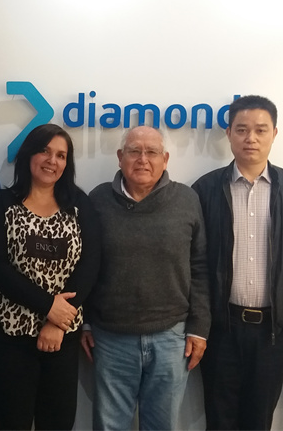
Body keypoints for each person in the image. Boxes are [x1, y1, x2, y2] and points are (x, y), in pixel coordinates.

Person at [191, 95, 283, 430]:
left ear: (274, 133)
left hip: (273, 330)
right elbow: (195, 263)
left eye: (261, 130)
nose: (251, 138)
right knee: (219, 419)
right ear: (229, 133)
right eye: (242, 129)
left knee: (259, 420)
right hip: (221, 328)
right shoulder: (204, 189)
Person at [81, 125, 210, 430]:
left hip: (172, 337)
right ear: (119, 157)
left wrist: (199, 328)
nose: (143, 159)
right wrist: (84, 321)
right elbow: (83, 265)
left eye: (152, 152)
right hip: (110, 338)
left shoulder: (187, 199)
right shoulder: (97, 200)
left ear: (165, 159)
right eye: (134, 151)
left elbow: (200, 266)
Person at [0, 123, 101, 430]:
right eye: (44, 151)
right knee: (11, 424)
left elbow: (90, 264)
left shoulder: (79, 204)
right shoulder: (1, 203)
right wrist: (49, 307)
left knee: (58, 423)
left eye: (61, 155)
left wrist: (57, 322)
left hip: (62, 339)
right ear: (29, 154)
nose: (52, 160)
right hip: (8, 339)